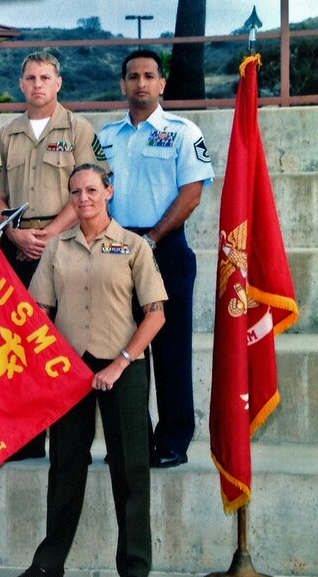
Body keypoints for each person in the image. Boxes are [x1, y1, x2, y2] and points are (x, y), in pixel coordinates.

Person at [14, 163, 166, 577]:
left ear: (109, 192)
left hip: (123, 366)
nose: (84, 198)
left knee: (130, 468)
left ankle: (134, 569)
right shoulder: (56, 248)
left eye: (92, 190)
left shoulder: (134, 246)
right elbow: (39, 309)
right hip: (70, 371)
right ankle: (50, 561)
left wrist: (120, 363)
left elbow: (156, 313)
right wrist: (51, 361)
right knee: (64, 465)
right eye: (76, 192)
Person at [0, 51, 108, 460]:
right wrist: (16, 232)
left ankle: (69, 440)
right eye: (30, 77)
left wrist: (49, 234)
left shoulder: (78, 129)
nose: (37, 84)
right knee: (19, 342)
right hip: (18, 245)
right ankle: (24, 436)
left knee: (63, 341)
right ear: (20, 84)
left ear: (59, 83)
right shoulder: (6, 134)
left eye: (45, 77)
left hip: (67, 244)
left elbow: (88, 191)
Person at [98, 49, 213, 469]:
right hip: (116, 250)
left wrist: (152, 237)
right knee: (122, 348)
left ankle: (172, 441)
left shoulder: (184, 132)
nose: (141, 83)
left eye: (149, 76)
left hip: (165, 247)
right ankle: (131, 441)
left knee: (170, 350)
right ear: (123, 84)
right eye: (133, 76)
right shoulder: (106, 137)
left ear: (162, 84)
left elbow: (192, 194)